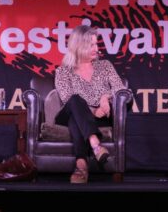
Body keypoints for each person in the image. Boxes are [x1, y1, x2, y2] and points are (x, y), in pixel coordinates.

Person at [54, 25, 126, 184]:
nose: (96, 48)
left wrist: (105, 98)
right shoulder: (63, 71)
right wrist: (93, 110)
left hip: (96, 117)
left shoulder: (105, 66)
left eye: (96, 44)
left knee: (77, 122)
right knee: (74, 100)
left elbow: (122, 91)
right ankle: (96, 145)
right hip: (69, 113)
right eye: (91, 45)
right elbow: (67, 99)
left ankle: (81, 166)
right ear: (78, 46)